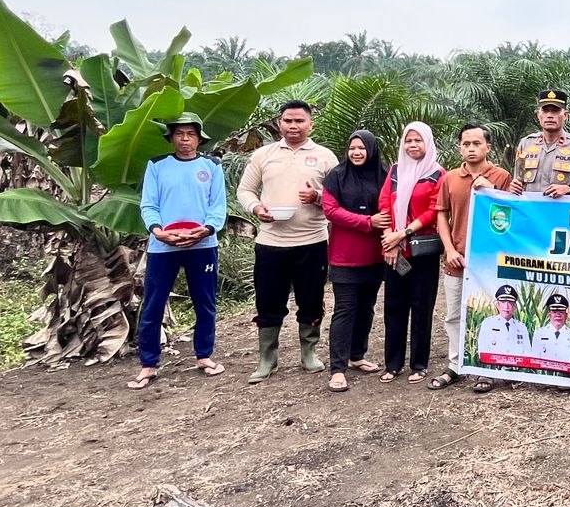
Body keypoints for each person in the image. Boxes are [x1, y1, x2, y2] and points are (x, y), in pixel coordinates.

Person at [238, 100, 337, 382]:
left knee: (311, 300)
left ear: (310, 124)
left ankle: (309, 352)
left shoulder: (325, 157)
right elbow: (245, 190)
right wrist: (257, 208)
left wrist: (317, 197)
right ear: (279, 123)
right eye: (288, 121)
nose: (293, 126)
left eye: (299, 121)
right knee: (269, 301)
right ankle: (267, 358)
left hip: (313, 242)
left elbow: (338, 197)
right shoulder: (263, 155)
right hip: (271, 242)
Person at [129, 113, 227, 389]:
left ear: (199, 138)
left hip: (203, 244)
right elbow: (149, 204)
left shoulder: (212, 165)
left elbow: (218, 205)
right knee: (153, 303)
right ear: (171, 138)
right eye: (179, 134)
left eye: (191, 134)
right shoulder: (158, 165)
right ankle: (148, 364)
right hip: (163, 246)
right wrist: (158, 231)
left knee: (205, 302)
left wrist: (207, 229)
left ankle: (204, 356)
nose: (185, 139)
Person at [434, 123, 513, 391]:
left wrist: (491, 189)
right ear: (460, 147)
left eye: (476, 143)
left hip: (489, 261)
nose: (471, 148)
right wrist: (449, 249)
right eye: (466, 144)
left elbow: (509, 213)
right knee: (453, 315)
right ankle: (455, 365)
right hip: (457, 257)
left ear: (487, 147)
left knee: (488, 311)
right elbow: (441, 214)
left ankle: (486, 367)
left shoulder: (501, 176)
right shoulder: (451, 178)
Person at [320, 130, 388, 393]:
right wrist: (367, 221)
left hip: (375, 255)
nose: (356, 153)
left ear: (371, 150)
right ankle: (338, 369)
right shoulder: (336, 176)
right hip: (345, 256)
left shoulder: (383, 175)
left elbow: (392, 204)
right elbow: (331, 211)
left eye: (362, 148)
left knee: (367, 307)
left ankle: (357, 355)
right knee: (346, 309)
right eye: (352, 148)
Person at [376, 122, 444, 384]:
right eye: (408, 140)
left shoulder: (437, 174)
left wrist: (402, 233)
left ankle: (419, 363)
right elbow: (384, 203)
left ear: (428, 143)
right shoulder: (394, 171)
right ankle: (393, 364)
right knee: (393, 306)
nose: (413, 145)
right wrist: (389, 240)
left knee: (422, 306)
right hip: (395, 250)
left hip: (422, 250)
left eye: (418, 141)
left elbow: (433, 210)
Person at [510, 89, 570, 198]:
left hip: (561, 212)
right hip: (529, 211)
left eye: (555, 111)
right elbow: (518, 182)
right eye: (545, 110)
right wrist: (514, 187)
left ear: (566, 115)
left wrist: (569, 189)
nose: (550, 115)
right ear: (538, 114)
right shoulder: (525, 144)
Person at [531, 291, 570, 368]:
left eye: (561, 311)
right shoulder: (539, 333)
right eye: (554, 311)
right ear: (549, 315)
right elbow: (534, 361)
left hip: (566, 378)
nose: (558, 315)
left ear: (566, 315)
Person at [477, 284, 530, 359]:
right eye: (503, 302)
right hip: (493, 368)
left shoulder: (521, 327)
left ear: (514, 307)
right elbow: (482, 351)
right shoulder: (488, 324)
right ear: (497, 305)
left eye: (510, 302)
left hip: (516, 369)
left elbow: (527, 354)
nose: (506, 306)